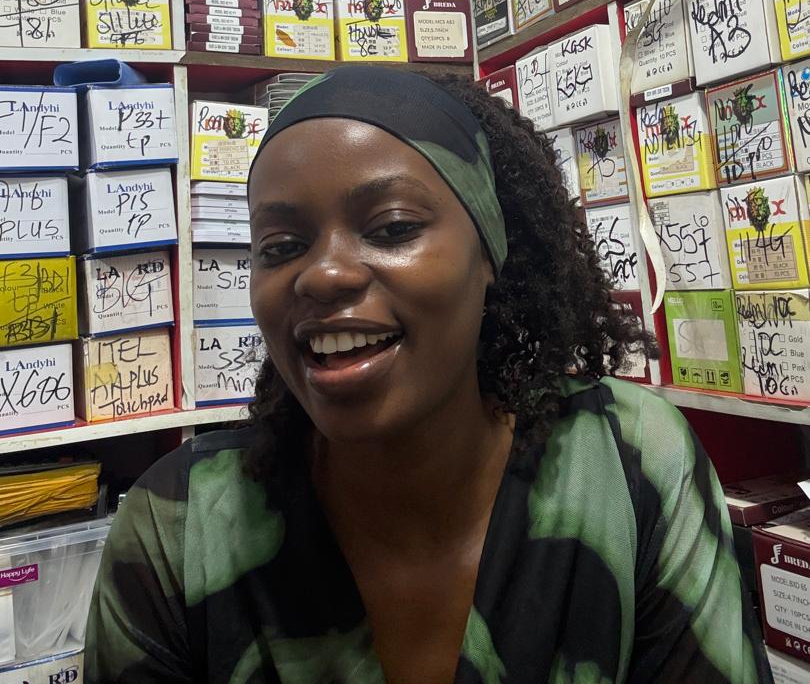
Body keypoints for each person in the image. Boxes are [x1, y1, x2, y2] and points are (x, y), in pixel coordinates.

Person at [86, 65, 771, 684]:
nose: (323, 274)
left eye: (391, 228)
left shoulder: (629, 463)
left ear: (490, 253)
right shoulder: (179, 527)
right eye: (282, 246)